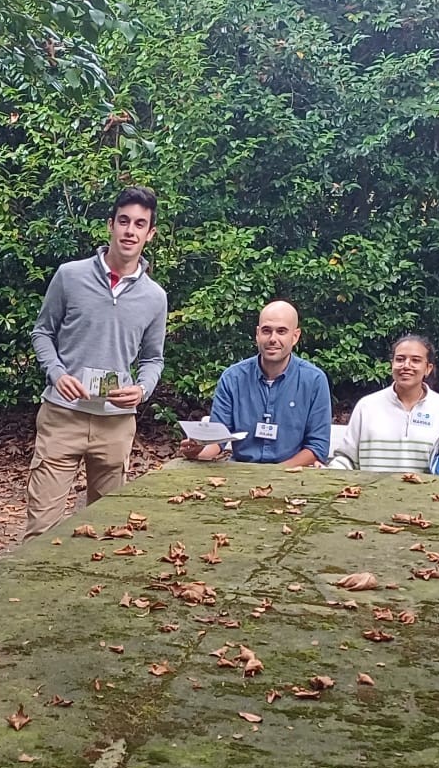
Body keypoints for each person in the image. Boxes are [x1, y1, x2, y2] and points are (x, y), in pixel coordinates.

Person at [22, 186, 168, 538]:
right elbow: (42, 332)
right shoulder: (70, 276)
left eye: (139, 224)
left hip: (115, 425)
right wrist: (57, 375)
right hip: (63, 416)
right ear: (110, 225)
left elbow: (153, 358)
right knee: (42, 529)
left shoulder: (155, 297)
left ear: (150, 234)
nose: (129, 231)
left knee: (107, 529)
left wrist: (142, 389)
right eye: (123, 221)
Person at [178, 300, 331, 467]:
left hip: (293, 475)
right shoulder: (233, 378)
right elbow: (217, 441)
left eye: (281, 331)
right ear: (257, 334)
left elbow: (317, 448)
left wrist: (277, 473)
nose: (273, 339)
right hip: (240, 474)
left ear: (295, 336)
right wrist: (197, 451)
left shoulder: (314, 381)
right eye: (266, 331)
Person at [329, 333, 439, 476]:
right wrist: (326, 473)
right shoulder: (367, 406)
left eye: (415, 360)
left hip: (426, 501)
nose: (406, 365)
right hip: (372, 499)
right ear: (392, 365)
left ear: (428, 369)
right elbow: (347, 460)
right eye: (400, 359)